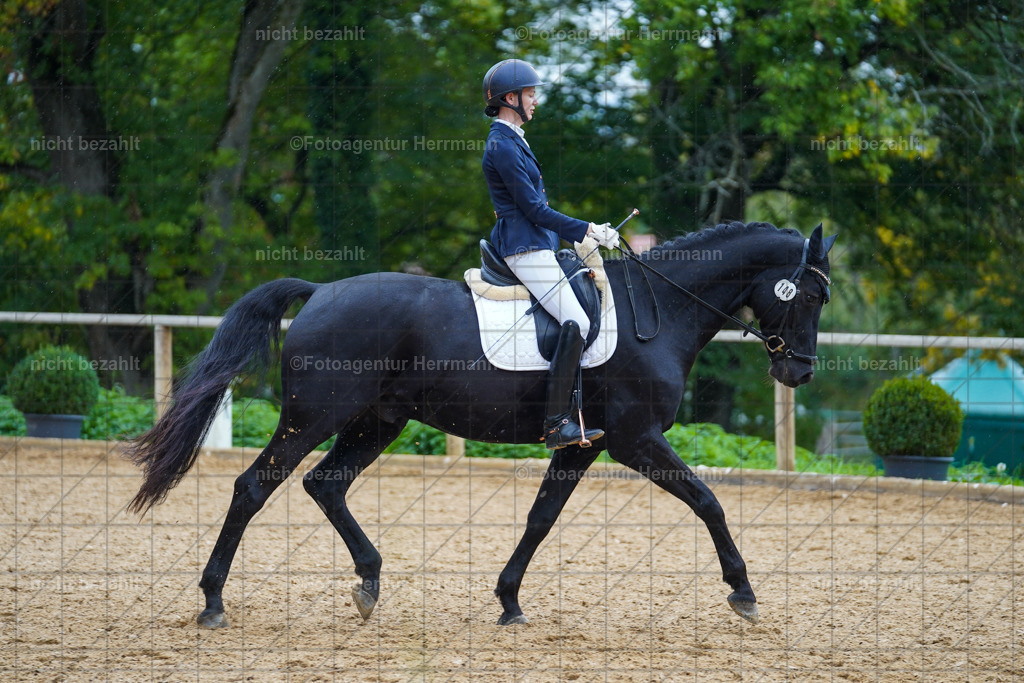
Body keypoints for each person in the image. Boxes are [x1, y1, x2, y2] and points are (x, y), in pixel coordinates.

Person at [481, 58, 620, 449]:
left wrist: (575, 237)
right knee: (576, 320)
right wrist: (587, 229)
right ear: (510, 98)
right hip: (523, 247)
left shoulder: (513, 139)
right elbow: (533, 209)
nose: (535, 100)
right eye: (530, 94)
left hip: (538, 242)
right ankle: (557, 422)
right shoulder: (501, 144)